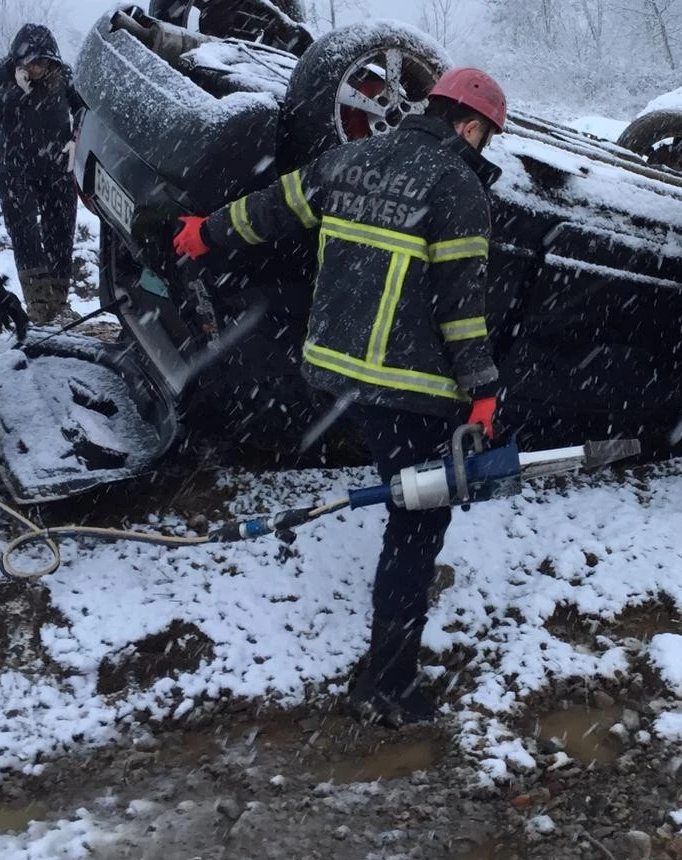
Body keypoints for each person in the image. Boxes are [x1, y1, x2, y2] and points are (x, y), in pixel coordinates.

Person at [172, 66, 506, 726]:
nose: (482, 149)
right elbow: (462, 307)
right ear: (469, 126)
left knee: (407, 509)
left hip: (335, 372)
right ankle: (389, 685)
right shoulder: (457, 187)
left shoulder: (350, 157)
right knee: (418, 525)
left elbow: (270, 209)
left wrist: (204, 232)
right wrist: (483, 390)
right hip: (407, 385)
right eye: (485, 138)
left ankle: (386, 672)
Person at [0, 24, 77, 323]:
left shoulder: (63, 76)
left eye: (42, 62)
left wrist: (77, 136)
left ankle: (59, 304)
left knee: (60, 231)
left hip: (57, 164)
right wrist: (15, 91)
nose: (37, 69)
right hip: (13, 167)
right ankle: (38, 302)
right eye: (31, 62)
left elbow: (83, 106)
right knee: (25, 234)